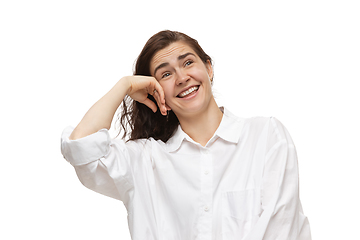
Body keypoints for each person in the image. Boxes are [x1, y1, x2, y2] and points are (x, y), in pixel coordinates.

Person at [61, 30, 311, 239]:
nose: (182, 77)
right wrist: (124, 85)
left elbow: (281, 229)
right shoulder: (146, 162)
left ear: (209, 68)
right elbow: (82, 147)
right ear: (155, 91)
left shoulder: (265, 136)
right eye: (166, 74)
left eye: (188, 62)